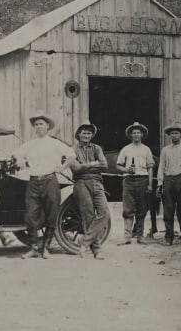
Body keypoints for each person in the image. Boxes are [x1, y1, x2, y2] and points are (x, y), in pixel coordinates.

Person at [10, 111, 72, 259]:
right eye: (36, 124)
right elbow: (16, 154)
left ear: (47, 126)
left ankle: (46, 248)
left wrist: (62, 168)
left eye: (41, 124)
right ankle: (33, 248)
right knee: (31, 215)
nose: (38, 127)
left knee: (51, 214)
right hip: (33, 181)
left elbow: (71, 155)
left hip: (50, 180)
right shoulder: (29, 144)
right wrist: (20, 160)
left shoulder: (55, 143)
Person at [68, 121, 110, 259]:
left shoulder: (97, 148)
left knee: (104, 213)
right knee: (88, 216)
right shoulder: (72, 149)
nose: (86, 135)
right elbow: (75, 168)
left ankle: (84, 243)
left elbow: (104, 165)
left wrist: (84, 166)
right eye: (84, 132)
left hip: (97, 183)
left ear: (92, 135)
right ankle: (97, 251)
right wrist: (92, 163)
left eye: (89, 133)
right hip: (81, 183)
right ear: (79, 134)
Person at [117, 121, 154, 244]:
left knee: (141, 208)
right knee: (128, 209)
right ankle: (127, 237)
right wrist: (126, 169)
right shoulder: (126, 149)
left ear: (142, 135)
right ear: (131, 135)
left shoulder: (146, 149)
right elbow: (118, 166)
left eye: (138, 132)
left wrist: (149, 184)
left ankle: (140, 236)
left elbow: (150, 167)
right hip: (128, 180)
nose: (136, 135)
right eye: (134, 133)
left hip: (143, 180)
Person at [157, 122, 181, 244]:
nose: (174, 135)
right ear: (169, 135)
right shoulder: (165, 150)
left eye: (176, 133)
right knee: (168, 210)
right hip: (168, 180)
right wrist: (160, 183)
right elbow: (161, 166)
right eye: (172, 133)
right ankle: (169, 237)